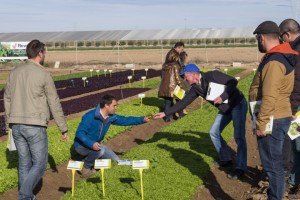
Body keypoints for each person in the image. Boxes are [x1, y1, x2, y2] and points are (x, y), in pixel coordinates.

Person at [155, 63, 248, 180]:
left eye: (185, 76)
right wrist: (165, 113)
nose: (184, 79)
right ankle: (226, 159)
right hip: (225, 109)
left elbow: (233, 81)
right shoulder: (195, 89)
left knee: (239, 136)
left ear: (193, 74)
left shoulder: (212, 75)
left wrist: (222, 97)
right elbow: (183, 102)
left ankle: (240, 168)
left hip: (237, 104)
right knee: (214, 132)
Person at [4, 39, 69, 200]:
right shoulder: (43, 74)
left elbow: (7, 99)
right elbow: (53, 101)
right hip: (35, 125)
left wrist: (8, 124)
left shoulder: (14, 72)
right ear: (40, 53)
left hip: (17, 125)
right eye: (44, 52)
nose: (44, 55)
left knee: (24, 163)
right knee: (39, 165)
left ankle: (26, 196)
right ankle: (25, 195)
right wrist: (63, 128)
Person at [249, 21, 298, 200]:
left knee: (272, 165)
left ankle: (275, 197)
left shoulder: (274, 61)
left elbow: (269, 95)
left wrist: (261, 124)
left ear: (261, 38)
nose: (258, 43)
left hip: (272, 118)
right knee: (275, 162)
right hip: (279, 114)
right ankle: (275, 195)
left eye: (257, 39)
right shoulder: (283, 56)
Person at [73, 95, 149, 177]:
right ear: (106, 105)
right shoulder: (90, 116)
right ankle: (85, 167)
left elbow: (125, 120)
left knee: (116, 160)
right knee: (100, 151)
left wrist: (142, 119)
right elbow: (80, 133)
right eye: (114, 106)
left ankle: (94, 158)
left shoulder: (110, 117)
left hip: (95, 145)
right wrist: (91, 144)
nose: (116, 108)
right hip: (81, 146)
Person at [279, 18, 300, 198]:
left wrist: (292, 109)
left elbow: (297, 82)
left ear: (287, 34)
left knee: (296, 142)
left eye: (282, 37)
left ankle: (293, 180)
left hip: (297, 104)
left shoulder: (296, 50)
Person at [158, 41, 188, 122]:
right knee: (180, 100)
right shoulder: (175, 65)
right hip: (174, 85)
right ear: (178, 48)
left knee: (168, 101)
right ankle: (181, 115)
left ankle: (167, 118)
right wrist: (181, 86)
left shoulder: (166, 65)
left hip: (167, 86)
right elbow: (177, 77)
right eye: (181, 49)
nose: (181, 50)